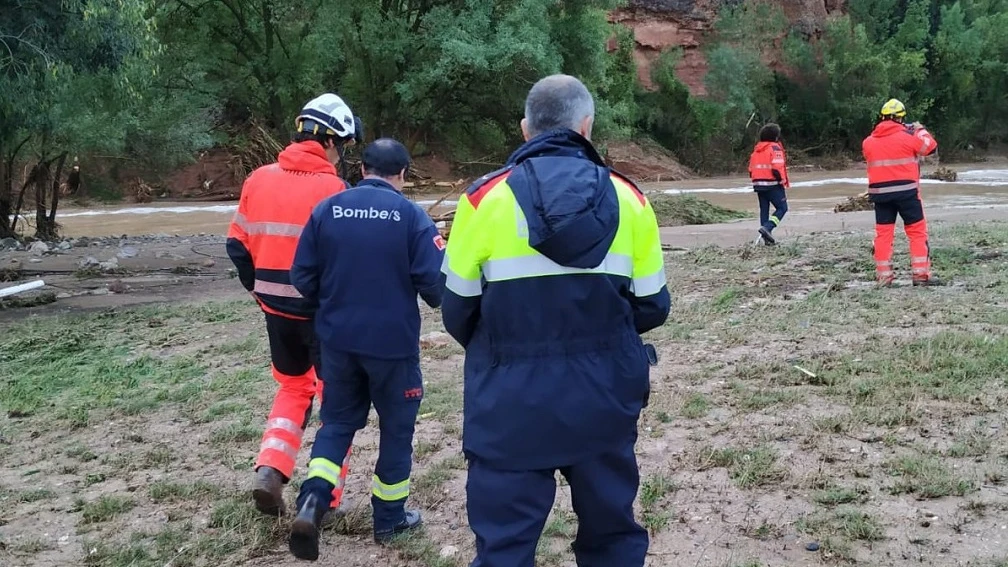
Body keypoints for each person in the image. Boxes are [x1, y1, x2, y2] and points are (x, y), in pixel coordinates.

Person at [440, 74, 671, 567]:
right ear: (586, 126)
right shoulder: (632, 201)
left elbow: (456, 310)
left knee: (503, 549)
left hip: (508, 408)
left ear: (526, 129)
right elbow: (653, 306)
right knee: (612, 541)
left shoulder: (481, 202)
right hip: (603, 401)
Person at [287, 138, 445, 560]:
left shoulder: (327, 210)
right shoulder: (411, 217)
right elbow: (437, 287)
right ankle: (390, 518)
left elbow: (301, 276)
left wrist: (335, 300)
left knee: (336, 425)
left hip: (338, 342)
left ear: (362, 170)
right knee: (397, 430)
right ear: (404, 175)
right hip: (392, 347)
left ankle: (313, 501)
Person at [226, 93, 361, 518]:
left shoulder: (257, 179)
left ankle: (270, 468)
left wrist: (257, 289)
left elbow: (236, 245)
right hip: (321, 313)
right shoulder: (335, 190)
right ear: (330, 142)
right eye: (343, 146)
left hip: (276, 311)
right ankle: (325, 498)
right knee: (334, 400)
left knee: (292, 387)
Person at [862, 98, 941, 286]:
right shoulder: (909, 136)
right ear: (900, 118)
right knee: (917, 233)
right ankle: (921, 275)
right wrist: (919, 129)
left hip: (880, 195)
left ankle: (884, 278)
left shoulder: (868, 142)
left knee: (883, 235)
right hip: (907, 194)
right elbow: (930, 147)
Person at [748, 123, 790, 245]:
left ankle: (767, 239)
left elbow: (751, 169)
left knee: (764, 210)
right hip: (773, 183)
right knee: (782, 208)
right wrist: (782, 181)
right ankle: (768, 228)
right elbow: (777, 168)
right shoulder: (775, 148)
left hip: (758, 184)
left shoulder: (756, 150)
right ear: (776, 136)